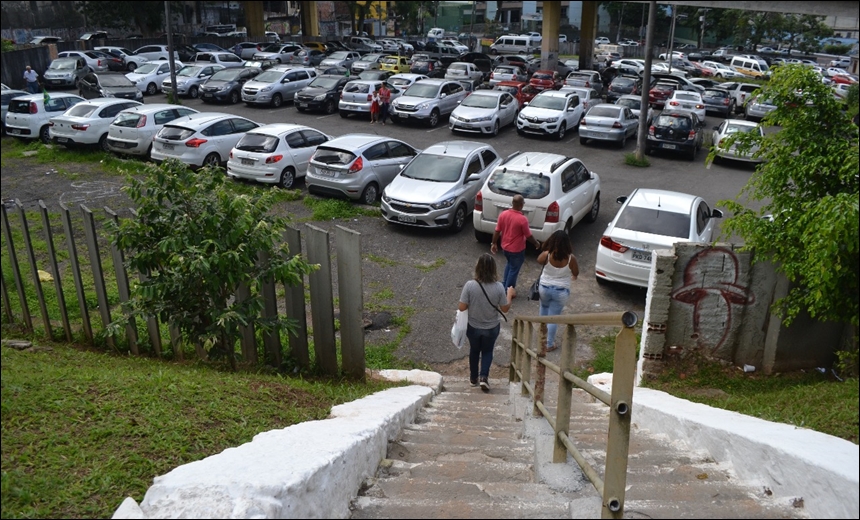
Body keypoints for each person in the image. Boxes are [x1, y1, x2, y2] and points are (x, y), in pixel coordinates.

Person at [458, 253, 515, 392]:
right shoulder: (499, 287)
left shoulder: (470, 285)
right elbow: (505, 309)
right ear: (494, 269)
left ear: (477, 268)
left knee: (474, 351)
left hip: (473, 326)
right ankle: (484, 377)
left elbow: (462, 307)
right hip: (491, 327)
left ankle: (473, 379)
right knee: (488, 351)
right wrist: (510, 294)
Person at [536, 230, 579, 352]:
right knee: (553, 317)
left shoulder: (547, 255)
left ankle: (541, 338)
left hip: (544, 288)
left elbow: (538, 260)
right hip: (561, 291)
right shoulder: (571, 259)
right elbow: (576, 273)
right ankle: (549, 344)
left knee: (543, 310)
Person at [490, 194, 541, 297]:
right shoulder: (522, 219)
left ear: (512, 203)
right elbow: (528, 235)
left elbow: (497, 230)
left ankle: (504, 284)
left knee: (509, 265)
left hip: (505, 247)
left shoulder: (503, 214)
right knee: (514, 269)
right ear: (521, 205)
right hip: (517, 250)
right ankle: (508, 290)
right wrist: (536, 243)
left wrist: (493, 243)